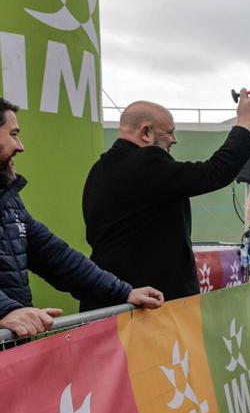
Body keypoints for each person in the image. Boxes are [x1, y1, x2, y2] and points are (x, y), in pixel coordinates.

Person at [80, 93, 250, 308]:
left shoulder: (101, 169)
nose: (174, 139)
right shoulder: (145, 162)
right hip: (148, 304)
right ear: (146, 132)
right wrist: (244, 123)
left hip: (110, 296)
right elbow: (215, 172)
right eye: (170, 132)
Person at [0, 98, 163, 338]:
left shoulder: (8, 199)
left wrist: (123, 292)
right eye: (13, 134)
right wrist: (6, 309)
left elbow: (55, 255)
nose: (20, 145)